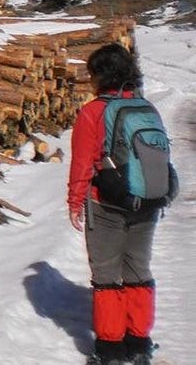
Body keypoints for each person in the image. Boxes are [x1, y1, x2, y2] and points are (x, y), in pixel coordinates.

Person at [67, 43, 165, 365]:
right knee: (138, 269)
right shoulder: (146, 107)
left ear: (101, 75)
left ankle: (110, 350)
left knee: (107, 274)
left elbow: (82, 163)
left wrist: (74, 201)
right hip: (147, 201)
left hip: (105, 203)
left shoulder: (92, 112)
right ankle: (139, 343)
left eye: (92, 72)